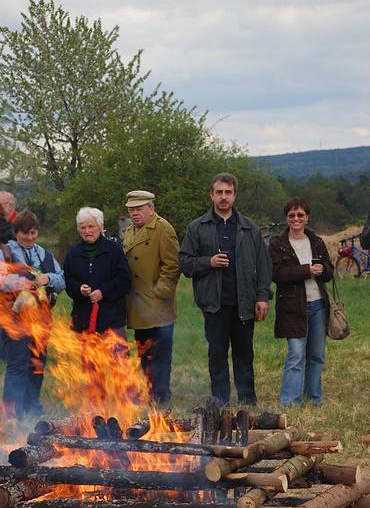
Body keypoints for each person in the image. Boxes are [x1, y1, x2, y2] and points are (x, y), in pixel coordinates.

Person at [179, 173, 272, 406]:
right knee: (217, 355)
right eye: (218, 192)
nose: (223, 197)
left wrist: (262, 297)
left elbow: (263, 266)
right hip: (214, 303)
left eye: (227, 192)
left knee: (244, 355)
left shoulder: (249, 228)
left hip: (244, 303)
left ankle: (247, 403)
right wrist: (208, 262)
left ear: (234, 195)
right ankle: (219, 403)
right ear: (211, 195)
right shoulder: (197, 227)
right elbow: (185, 263)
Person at [0, 209, 64, 420]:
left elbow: (62, 279)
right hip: (15, 319)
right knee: (18, 363)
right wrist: (19, 283)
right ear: (16, 232)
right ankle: (11, 412)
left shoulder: (45, 255)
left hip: (42, 320)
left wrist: (48, 279)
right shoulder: (3, 253)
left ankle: (32, 405)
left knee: (38, 362)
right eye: (24, 233)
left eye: (33, 232)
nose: (29, 237)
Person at [269, 197, 333, 406]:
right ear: (286, 219)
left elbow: (329, 272)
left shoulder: (316, 242)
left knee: (316, 355)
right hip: (292, 306)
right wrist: (307, 270)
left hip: (318, 305)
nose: (296, 219)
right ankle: (290, 401)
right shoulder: (278, 244)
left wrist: (323, 270)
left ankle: (314, 398)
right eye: (291, 215)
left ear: (307, 218)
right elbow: (277, 273)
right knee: (296, 355)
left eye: (300, 215)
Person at [122, 190, 180, 404]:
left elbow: (172, 266)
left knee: (161, 354)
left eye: (139, 209)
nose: (135, 213)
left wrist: (160, 292)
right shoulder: (129, 231)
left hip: (158, 306)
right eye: (131, 210)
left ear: (150, 208)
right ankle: (147, 391)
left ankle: (161, 395)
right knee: (144, 352)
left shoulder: (163, 229)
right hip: (138, 305)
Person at [64, 207, 131, 337]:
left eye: (91, 226)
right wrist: (79, 289)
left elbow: (125, 280)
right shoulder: (73, 253)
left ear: (100, 227)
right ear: (78, 229)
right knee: (87, 358)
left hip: (111, 322)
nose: (87, 231)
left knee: (116, 358)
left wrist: (103, 292)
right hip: (83, 321)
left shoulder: (114, 250)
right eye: (83, 228)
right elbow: (67, 281)